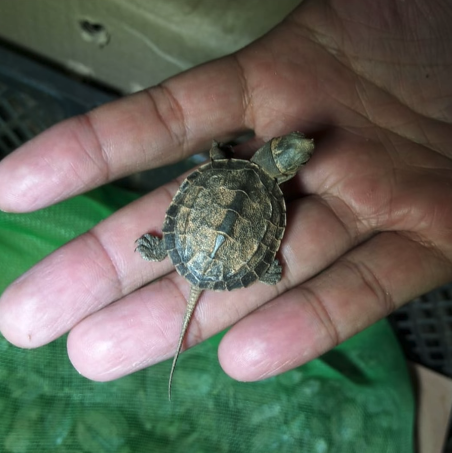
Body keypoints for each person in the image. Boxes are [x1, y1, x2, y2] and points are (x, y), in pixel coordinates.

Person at [0, 0, 450, 384]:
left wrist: (222, 156)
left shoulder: (238, 168)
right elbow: (265, 225)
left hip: (200, 235)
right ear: (278, 156)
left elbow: (218, 152)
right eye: (294, 150)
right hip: (229, 235)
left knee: (229, 251)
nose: (300, 148)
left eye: (299, 152)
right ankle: (164, 250)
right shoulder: (277, 197)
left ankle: (161, 249)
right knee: (263, 262)